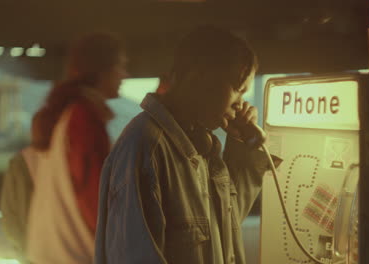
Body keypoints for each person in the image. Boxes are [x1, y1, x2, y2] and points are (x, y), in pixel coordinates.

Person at [95, 25, 280, 264]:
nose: (240, 104)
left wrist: (243, 147)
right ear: (199, 76)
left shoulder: (204, 150)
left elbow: (228, 227)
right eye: (237, 89)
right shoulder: (145, 148)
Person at [26, 32, 128, 264]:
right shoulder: (85, 118)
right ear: (102, 70)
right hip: (78, 255)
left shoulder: (62, 114)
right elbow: (95, 199)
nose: (125, 75)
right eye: (121, 66)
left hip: (50, 253)